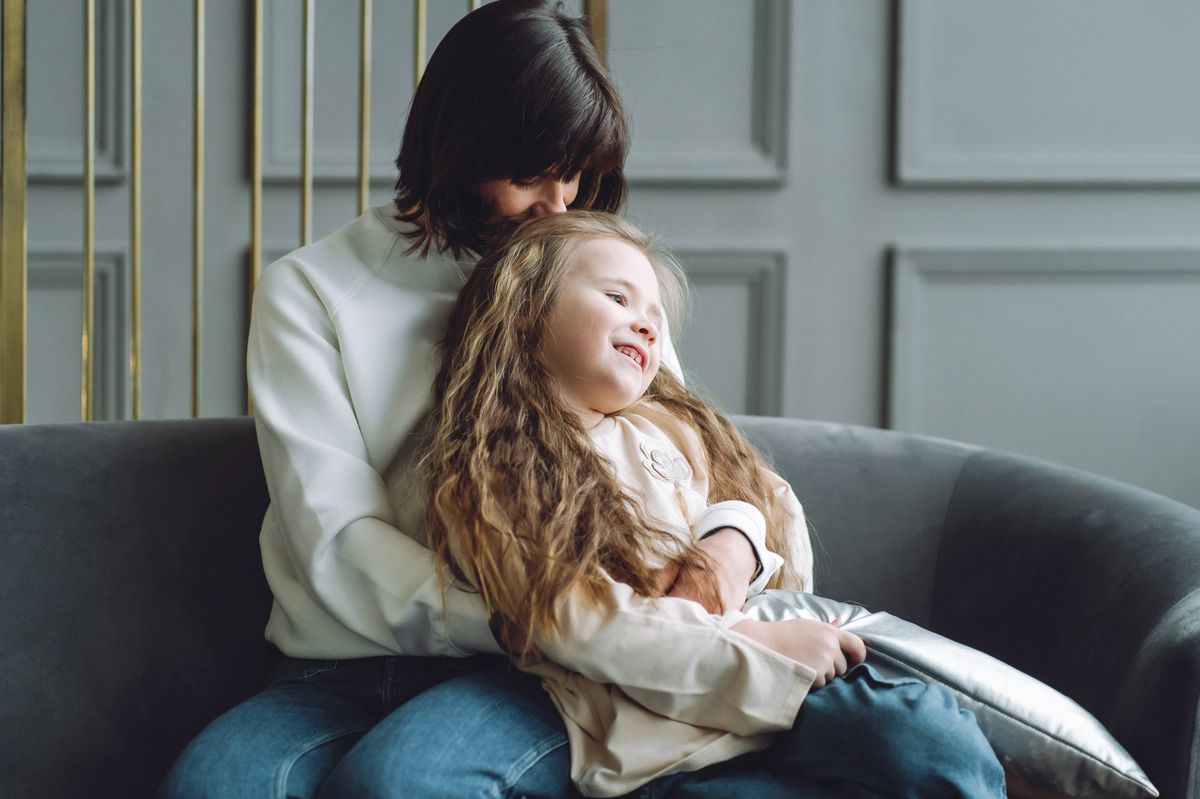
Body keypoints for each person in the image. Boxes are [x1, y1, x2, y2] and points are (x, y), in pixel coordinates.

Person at [157, 2, 768, 797]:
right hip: (349, 666)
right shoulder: (311, 291)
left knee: (406, 782)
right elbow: (339, 544)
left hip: (533, 671)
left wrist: (730, 549)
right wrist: (546, 616)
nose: (559, 204)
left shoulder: (592, 278)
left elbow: (697, 460)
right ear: (458, 146)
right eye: (528, 175)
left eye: (575, 172)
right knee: (213, 785)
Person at [423, 210, 1008, 799]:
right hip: (662, 721)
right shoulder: (496, 467)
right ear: (525, 307)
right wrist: (756, 647)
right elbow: (582, 624)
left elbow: (773, 506)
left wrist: (735, 534)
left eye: (655, 317)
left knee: (934, 736)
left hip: (769, 675)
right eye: (618, 298)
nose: (648, 328)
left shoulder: (667, 427)